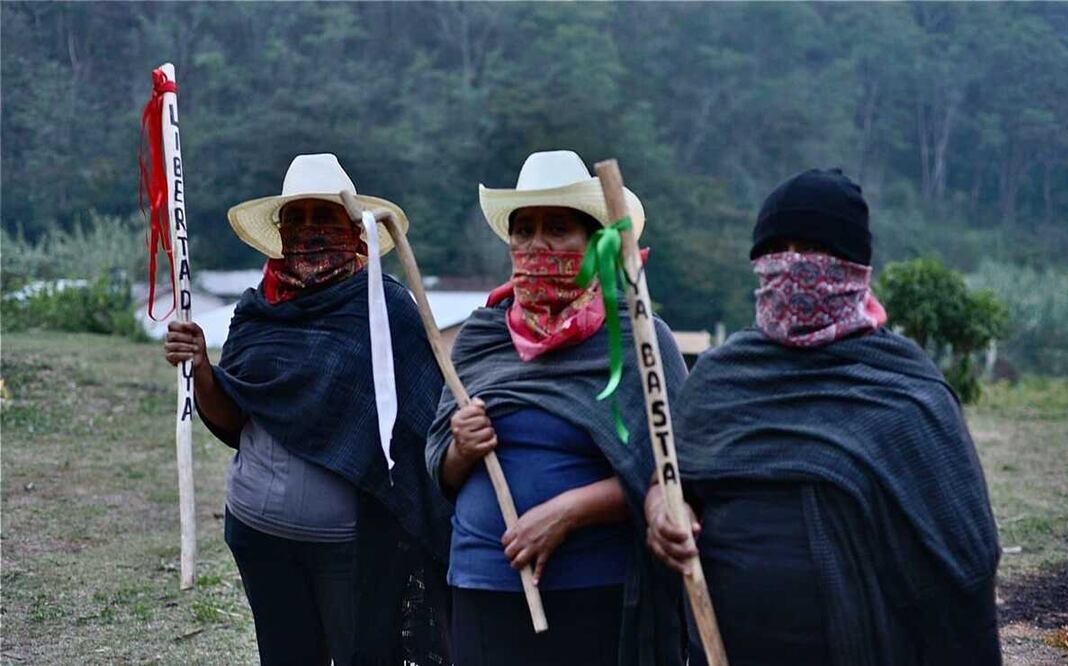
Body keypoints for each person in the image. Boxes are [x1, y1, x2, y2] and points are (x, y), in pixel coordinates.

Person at [645, 168, 1002, 666]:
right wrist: (664, 510)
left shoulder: (905, 389)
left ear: (856, 268)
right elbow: (672, 482)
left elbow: (962, 554)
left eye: (814, 248)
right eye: (778, 249)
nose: (794, 264)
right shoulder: (721, 377)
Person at [163, 153, 452, 666]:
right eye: (298, 218)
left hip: (352, 548)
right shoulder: (258, 310)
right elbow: (233, 420)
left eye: (325, 217)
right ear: (282, 232)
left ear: (354, 230)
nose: (311, 229)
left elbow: (419, 428)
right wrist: (203, 367)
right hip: (257, 536)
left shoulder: (387, 309)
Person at [427, 150, 688, 666]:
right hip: (483, 582)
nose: (537, 245)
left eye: (558, 229)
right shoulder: (481, 336)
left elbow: (674, 468)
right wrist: (461, 446)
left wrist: (569, 511)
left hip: (594, 588)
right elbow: (443, 471)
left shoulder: (637, 337)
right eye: (524, 230)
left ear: (595, 243)